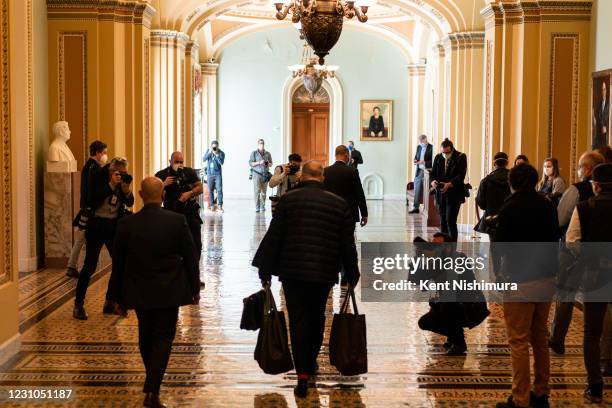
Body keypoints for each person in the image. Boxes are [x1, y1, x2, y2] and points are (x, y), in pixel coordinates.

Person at [252, 161, 359, 399]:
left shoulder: (288, 201)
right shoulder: (338, 204)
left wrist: (264, 270)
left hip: (293, 273)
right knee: (317, 316)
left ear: (302, 177)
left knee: (298, 320)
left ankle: (302, 373)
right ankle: (309, 363)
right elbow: (346, 244)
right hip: (323, 273)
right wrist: (352, 273)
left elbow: (274, 236)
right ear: (322, 178)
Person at [107, 177, 200, 408]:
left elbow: (117, 264)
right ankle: (153, 387)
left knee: (145, 335)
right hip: (169, 289)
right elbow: (190, 258)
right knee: (164, 336)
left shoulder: (127, 224)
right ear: (162, 195)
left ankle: (152, 383)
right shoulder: (177, 221)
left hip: (138, 290)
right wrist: (194, 288)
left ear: (140, 194)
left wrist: (114, 296)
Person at [494, 163, 561, 408]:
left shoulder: (509, 208)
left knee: (519, 341)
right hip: (546, 277)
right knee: (540, 338)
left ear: (512, 183)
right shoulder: (547, 204)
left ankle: (520, 398)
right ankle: (541, 393)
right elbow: (555, 238)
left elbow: (500, 247)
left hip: (519, 279)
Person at [564, 163, 612, 403]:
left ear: (596, 185)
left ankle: (595, 386)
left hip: (595, 274)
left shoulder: (584, 208)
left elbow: (572, 241)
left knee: (592, 332)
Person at [549, 151, 605, 354]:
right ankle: (605, 349)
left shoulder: (576, 190)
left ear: (588, 169)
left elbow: (560, 219)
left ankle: (557, 338)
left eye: (580, 166)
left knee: (565, 295)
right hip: (602, 255)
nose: (578, 170)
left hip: (572, 251)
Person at [73, 157, 134, 320]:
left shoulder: (123, 180)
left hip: (113, 226)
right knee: (89, 266)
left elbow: (130, 202)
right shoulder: (98, 176)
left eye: (124, 173)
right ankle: (78, 304)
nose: (121, 176)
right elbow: (91, 199)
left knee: (119, 263)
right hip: (96, 226)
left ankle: (110, 301)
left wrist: (126, 190)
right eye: (118, 173)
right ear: (110, 171)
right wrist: (111, 185)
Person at [416, 233, 490, 356]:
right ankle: (453, 334)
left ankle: (459, 343)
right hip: (454, 305)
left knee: (447, 304)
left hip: (471, 308)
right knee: (425, 322)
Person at [66, 140, 108, 278]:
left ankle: (72, 265)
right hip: (90, 210)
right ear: (98, 153)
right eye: (104, 152)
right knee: (82, 239)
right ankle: (73, 266)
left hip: (86, 208)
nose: (105, 155)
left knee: (81, 239)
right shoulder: (94, 168)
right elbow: (91, 191)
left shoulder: (89, 167)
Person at [155, 152, 204, 262]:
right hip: (171, 214)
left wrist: (189, 193)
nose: (179, 164)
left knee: (196, 245)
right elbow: (154, 194)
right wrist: (163, 184)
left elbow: (200, 188)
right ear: (170, 161)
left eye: (181, 162)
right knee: (173, 246)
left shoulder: (189, 172)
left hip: (190, 213)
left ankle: (194, 273)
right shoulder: (162, 174)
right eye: (176, 162)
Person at [430, 139, 467, 241]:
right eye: (443, 152)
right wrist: (433, 181)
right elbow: (432, 173)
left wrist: (449, 184)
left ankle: (452, 247)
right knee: (442, 220)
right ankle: (443, 246)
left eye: (447, 152)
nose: (445, 154)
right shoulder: (438, 157)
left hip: (454, 194)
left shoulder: (460, 157)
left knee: (450, 220)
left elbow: (461, 175)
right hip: (441, 194)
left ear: (452, 149)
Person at [324, 145, 368, 227]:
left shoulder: (325, 171)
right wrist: (364, 214)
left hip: (330, 212)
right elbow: (359, 194)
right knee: (348, 237)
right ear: (346, 155)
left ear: (335, 155)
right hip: (349, 212)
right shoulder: (353, 171)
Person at [476, 152, 511, 235]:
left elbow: (481, 203)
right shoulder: (513, 179)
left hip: (491, 219)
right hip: (510, 218)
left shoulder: (486, 180)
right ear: (507, 163)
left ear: (494, 163)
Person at [409, 134, 433, 214]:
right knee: (417, 188)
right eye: (420, 141)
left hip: (427, 171)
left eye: (422, 141)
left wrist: (424, 162)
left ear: (426, 140)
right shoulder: (419, 147)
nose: (421, 143)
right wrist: (415, 160)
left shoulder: (431, 147)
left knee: (427, 190)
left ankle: (427, 209)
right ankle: (416, 207)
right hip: (419, 170)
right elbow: (416, 156)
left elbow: (432, 161)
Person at [249, 139, 273, 212]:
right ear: (258, 144)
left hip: (265, 174)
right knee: (257, 191)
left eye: (262, 143)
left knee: (264, 192)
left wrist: (267, 163)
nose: (261, 144)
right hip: (256, 174)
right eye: (260, 143)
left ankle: (262, 206)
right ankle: (257, 207)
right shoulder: (254, 153)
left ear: (264, 144)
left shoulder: (268, 153)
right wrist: (259, 162)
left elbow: (271, 164)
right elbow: (250, 163)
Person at [203, 140, 225, 212]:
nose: (214, 148)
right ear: (211, 146)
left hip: (217, 174)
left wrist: (217, 155)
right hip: (210, 174)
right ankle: (212, 205)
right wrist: (209, 152)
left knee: (219, 189)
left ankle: (220, 206)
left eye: (215, 147)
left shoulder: (221, 153)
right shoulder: (209, 151)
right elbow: (204, 159)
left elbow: (221, 162)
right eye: (213, 147)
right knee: (210, 190)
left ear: (218, 146)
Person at [594, 81, 610, 149]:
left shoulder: (610, 104)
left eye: (604, 89)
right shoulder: (599, 105)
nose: (603, 91)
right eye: (602, 90)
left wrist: (606, 127)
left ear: (606, 90)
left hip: (607, 136)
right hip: (599, 137)